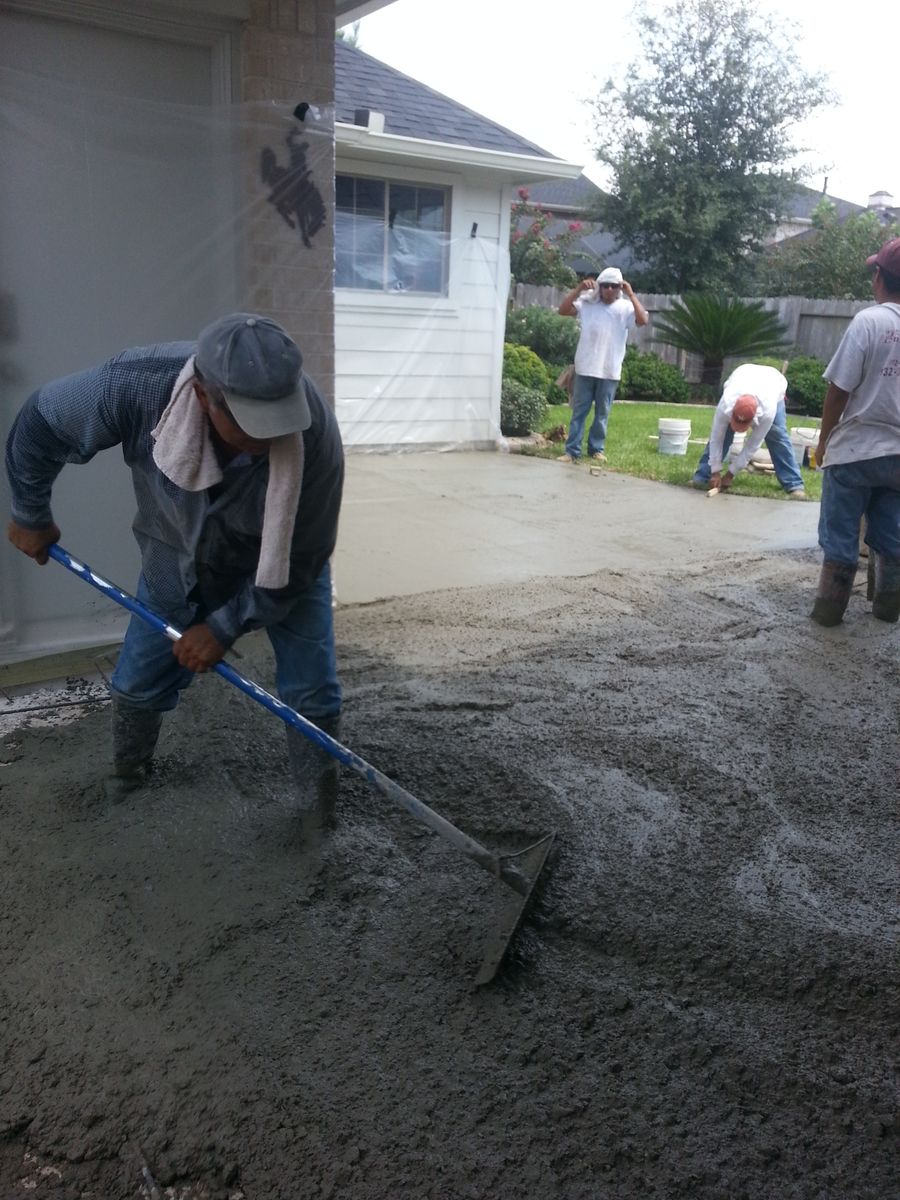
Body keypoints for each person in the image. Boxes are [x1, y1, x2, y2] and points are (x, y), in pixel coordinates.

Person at [6, 313, 344, 825]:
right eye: (252, 422)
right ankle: (127, 780)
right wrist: (31, 514)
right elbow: (41, 424)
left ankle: (317, 813)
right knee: (136, 684)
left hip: (282, 563)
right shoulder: (137, 383)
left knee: (312, 690)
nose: (274, 433)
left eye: (281, 416)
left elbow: (305, 556)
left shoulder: (313, 432)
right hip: (175, 558)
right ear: (204, 396)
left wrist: (224, 628)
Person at [810, 237, 900, 626]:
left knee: (841, 535)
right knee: (893, 535)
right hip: (897, 457)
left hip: (855, 452)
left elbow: (838, 391)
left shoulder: (869, 321)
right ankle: (888, 608)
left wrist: (824, 441)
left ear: (878, 277)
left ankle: (829, 611)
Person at [557, 266, 649, 464]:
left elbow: (642, 320)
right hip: (585, 366)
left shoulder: (625, 307)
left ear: (619, 288)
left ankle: (596, 449)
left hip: (609, 369)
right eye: (605, 285)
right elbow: (562, 310)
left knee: (602, 413)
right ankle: (572, 451)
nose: (608, 289)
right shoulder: (588, 303)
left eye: (613, 286)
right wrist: (578, 289)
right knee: (579, 412)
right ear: (600, 286)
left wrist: (631, 294)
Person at [690, 363, 807, 498]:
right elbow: (716, 438)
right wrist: (715, 472)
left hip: (773, 383)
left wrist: (731, 474)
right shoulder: (726, 404)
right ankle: (703, 476)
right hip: (743, 374)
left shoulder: (767, 411)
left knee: (777, 436)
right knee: (724, 434)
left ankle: (793, 483)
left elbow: (752, 445)